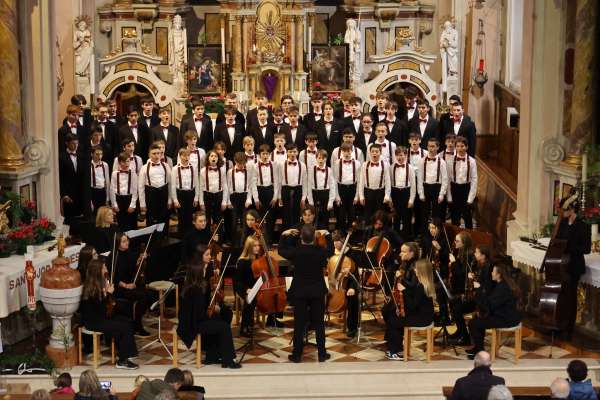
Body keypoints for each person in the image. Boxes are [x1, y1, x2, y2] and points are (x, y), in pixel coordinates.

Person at [177, 246, 241, 369]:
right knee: (224, 327)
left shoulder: (195, 284)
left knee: (222, 316)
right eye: (207, 255)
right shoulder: (195, 290)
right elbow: (199, 315)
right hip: (192, 324)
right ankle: (228, 361)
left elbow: (201, 309)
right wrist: (211, 311)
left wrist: (213, 309)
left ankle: (212, 356)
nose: (209, 257)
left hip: (196, 318)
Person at [279, 224, 331, 363]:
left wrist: (284, 235)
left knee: (299, 323)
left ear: (301, 236)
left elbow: (281, 251)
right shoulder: (320, 251)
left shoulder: (296, 252)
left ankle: (296, 355)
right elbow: (330, 251)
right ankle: (321, 354)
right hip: (317, 291)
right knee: (319, 323)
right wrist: (327, 235)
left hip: (300, 292)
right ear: (314, 237)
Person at [80, 259, 139, 369]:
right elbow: (100, 310)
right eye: (104, 268)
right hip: (94, 322)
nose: (106, 269)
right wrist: (107, 294)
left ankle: (128, 354)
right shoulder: (90, 289)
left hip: (101, 318)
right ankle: (122, 360)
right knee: (123, 327)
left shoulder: (99, 283)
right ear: (98, 271)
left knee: (126, 321)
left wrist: (107, 294)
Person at [382, 259, 436, 360]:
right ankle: (395, 347)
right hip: (423, 315)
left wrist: (404, 291)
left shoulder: (422, 286)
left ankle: (393, 351)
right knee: (394, 316)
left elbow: (412, 305)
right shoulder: (424, 284)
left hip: (422, 319)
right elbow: (414, 300)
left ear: (421, 271)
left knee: (393, 320)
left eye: (416, 268)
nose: (414, 270)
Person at [556, 195, 592, 340]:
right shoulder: (563, 223)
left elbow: (586, 249)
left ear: (571, 210)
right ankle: (558, 325)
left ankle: (568, 330)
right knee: (561, 297)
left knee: (570, 298)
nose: (562, 213)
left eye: (564, 210)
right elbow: (558, 238)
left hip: (573, 266)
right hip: (562, 265)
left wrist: (569, 247)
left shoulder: (583, 226)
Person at [467, 263, 522, 357]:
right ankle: (478, 348)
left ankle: (480, 352)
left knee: (473, 323)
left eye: (493, 271)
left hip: (505, 319)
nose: (491, 273)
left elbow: (489, 305)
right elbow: (491, 301)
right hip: (506, 315)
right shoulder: (502, 284)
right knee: (478, 319)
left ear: (499, 275)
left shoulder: (503, 288)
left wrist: (479, 290)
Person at [114, 233, 150, 336]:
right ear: (118, 244)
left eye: (127, 240)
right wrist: (126, 285)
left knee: (149, 294)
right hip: (120, 287)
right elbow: (114, 278)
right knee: (142, 296)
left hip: (131, 284)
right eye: (124, 241)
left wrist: (139, 260)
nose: (127, 243)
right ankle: (137, 325)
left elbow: (133, 269)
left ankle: (136, 320)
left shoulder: (129, 253)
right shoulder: (114, 257)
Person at [448, 231, 476, 345]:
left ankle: (465, 337)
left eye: (457, 241)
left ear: (464, 243)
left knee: (457, 309)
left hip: (469, 294)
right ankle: (460, 331)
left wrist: (454, 262)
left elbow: (461, 275)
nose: (455, 242)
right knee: (453, 304)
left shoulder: (469, 256)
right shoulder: (461, 252)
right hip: (460, 290)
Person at [421, 218, 450, 325]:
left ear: (439, 228)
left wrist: (440, 248)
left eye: (434, 228)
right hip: (429, 269)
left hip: (440, 270)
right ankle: (431, 314)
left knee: (440, 295)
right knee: (427, 293)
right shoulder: (427, 239)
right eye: (430, 228)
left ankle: (445, 316)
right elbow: (424, 254)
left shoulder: (444, 239)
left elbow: (447, 256)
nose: (431, 230)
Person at [138, 143, 172, 227]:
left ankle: (164, 238)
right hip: (150, 196)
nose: (156, 156)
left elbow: (170, 184)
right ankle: (152, 238)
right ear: (149, 154)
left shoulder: (166, 166)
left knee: (163, 219)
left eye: (158, 153)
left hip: (163, 195)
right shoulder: (144, 168)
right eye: (154, 153)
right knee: (151, 219)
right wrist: (142, 204)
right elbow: (141, 187)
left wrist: (169, 200)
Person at [447, 136, 478, 229]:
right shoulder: (450, 160)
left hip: (466, 189)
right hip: (454, 188)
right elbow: (448, 179)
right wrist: (449, 196)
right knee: (454, 217)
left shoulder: (472, 161)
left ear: (467, 147)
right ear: (455, 147)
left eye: (462, 146)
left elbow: (474, 180)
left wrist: (470, 198)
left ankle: (469, 239)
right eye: (458, 146)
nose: (460, 148)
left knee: (467, 216)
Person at [60, 133, 90, 226]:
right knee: (70, 221)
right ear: (67, 143)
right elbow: (60, 178)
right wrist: (64, 194)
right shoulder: (61, 157)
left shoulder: (82, 156)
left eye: (77, 143)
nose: (75, 146)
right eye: (73, 143)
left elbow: (85, 176)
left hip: (81, 194)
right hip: (69, 195)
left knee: (81, 222)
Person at [357, 143, 392, 222]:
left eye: (377, 151)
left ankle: (380, 233)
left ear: (380, 153)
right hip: (368, 192)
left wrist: (387, 195)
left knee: (380, 215)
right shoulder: (365, 165)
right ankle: (368, 233)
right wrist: (361, 196)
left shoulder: (385, 165)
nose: (374, 153)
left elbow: (388, 181)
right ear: (369, 153)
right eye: (372, 151)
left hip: (380, 192)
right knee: (368, 215)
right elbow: (361, 181)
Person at [417, 137, 449, 223]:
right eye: (429, 146)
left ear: (437, 147)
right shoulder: (422, 161)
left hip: (437, 188)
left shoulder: (442, 162)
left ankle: (436, 235)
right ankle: (424, 235)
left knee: (436, 214)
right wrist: (421, 193)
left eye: (433, 146)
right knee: (424, 214)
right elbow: (419, 178)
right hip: (425, 187)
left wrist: (442, 194)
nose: (430, 148)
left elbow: (445, 179)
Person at [234, 236, 260, 337]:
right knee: (250, 299)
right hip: (242, 287)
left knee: (254, 296)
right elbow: (237, 281)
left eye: (258, 245)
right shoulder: (242, 261)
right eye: (254, 246)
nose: (257, 248)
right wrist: (246, 289)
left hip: (254, 287)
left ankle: (249, 324)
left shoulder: (257, 259)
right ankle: (245, 327)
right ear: (249, 247)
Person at [276, 144, 307, 230]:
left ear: (297, 153)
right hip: (285, 189)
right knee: (286, 213)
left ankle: (296, 234)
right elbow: (278, 181)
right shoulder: (281, 165)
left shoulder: (302, 165)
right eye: (290, 152)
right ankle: (286, 235)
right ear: (287, 153)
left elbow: (305, 182)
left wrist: (304, 197)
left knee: (296, 213)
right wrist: (279, 196)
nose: (292, 154)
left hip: (298, 189)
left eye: (294, 151)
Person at [171, 148, 200, 238]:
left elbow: (196, 183)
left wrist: (196, 197)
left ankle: (190, 237)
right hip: (180, 194)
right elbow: (173, 185)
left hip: (191, 194)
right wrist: (175, 200)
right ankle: (181, 237)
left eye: (188, 155)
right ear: (180, 156)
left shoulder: (193, 168)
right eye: (184, 155)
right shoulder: (175, 169)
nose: (186, 157)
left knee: (190, 217)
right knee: (181, 217)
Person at [333, 142, 361, 232]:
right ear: (341, 151)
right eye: (344, 151)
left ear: (352, 151)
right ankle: (342, 235)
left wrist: (357, 196)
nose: (346, 153)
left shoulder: (357, 163)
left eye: (348, 151)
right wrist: (337, 196)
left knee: (352, 215)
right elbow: (334, 180)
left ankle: (352, 237)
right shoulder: (337, 163)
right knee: (341, 214)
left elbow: (359, 181)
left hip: (353, 189)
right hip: (341, 189)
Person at [390, 146, 416, 239]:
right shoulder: (391, 167)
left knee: (406, 217)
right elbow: (389, 183)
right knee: (396, 216)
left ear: (406, 155)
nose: (400, 157)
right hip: (395, 192)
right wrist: (390, 198)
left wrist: (411, 199)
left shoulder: (410, 168)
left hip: (406, 192)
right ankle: (396, 238)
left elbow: (413, 185)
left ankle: (406, 238)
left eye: (402, 155)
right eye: (397, 155)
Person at [307, 149, 336, 229]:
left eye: (323, 158)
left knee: (325, 217)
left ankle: (325, 235)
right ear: (316, 158)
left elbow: (332, 186)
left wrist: (330, 202)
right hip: (314, 193)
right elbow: (308, 186)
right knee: (313, 217)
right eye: (319, 158)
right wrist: (310, 201)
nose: (321, 160)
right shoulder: (311, 170)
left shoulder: (329, 170)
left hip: (325, 194)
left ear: (326, 159)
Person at [110, 152, 139, 232]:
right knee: (121, 223)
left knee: (132, 224)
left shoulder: (133, 173)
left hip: (129, 199)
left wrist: (132, 205)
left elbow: (135, 190)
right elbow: (112, 189)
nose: (127, 163)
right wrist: (114, 204)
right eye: (124, 161)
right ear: (119, 162)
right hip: (119, 199)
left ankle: (133, 243)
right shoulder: (114, 174)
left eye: (128, 161)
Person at [199, 150, 228, 228]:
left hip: (219, 195)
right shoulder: (203, 171)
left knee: (218, 218)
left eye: (215, 156)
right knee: (207, 218)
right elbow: (201, 187)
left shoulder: (222, 170)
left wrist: (224, 201)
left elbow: (225, 185)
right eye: (211, 156)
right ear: (208, 158)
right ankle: (208, 237)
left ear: (218, 158)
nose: (213, 158)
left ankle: (219, 238)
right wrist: (201, 202)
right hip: (207, 195)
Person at [90, 145, 110, 216]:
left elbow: (107, 181)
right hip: (92, 192)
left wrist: (107, 198)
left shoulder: (105, 165)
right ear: (92, 154)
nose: (99, 156)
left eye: (101, 154)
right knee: (94, 215)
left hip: (102, 192)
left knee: (102, 215)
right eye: (97, 154)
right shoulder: (89, 165)